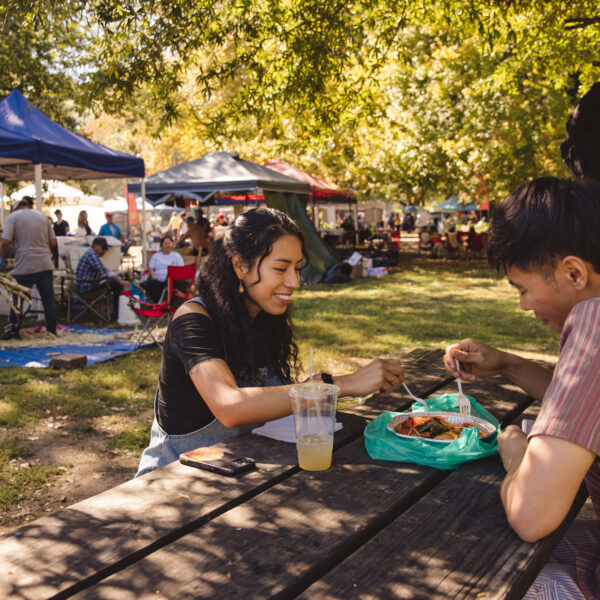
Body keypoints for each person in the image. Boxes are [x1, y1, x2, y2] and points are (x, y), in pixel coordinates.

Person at [136, 207, 405, 477]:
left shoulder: (264, 319)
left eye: (298, 268)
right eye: (280, 268)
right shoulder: (192, 320)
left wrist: (315, 386)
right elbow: (231, 406)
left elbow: (270, 403)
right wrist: (335, 386)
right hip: (171, 482)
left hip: (241, 476)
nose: (295, 282)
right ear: (240, 265)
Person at [443, 177, 600, 600]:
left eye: (524, 289)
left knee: (470, 572)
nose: (524, 307)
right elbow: (589, 406)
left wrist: (517, 457)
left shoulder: (595, 324)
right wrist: (509, 364)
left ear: (573, 272)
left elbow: (532, 515)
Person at [0, 196, 57, 339]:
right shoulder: (43, 217)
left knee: (18, 299)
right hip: (44, 263)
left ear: (14, 209)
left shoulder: (13, 218)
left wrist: (4, 258)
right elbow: (53, 242)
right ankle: (52, 331)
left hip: (25, 265)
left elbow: (5, 242)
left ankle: (14, 330)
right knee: (48, 298)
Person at [75, 236, 129, 318]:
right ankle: (118, 314)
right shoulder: (91, 255)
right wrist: (120, 281)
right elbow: (104, 272)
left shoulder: (91, 253)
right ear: (95, 245)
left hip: (87, 283)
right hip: (86, 286)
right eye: (103, 248)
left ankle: (119, 312)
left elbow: (104, 270)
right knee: (116, 285)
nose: (104, 251)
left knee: (115, 283)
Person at [142, 235, 184, 302]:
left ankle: (167, 302)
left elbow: (181, 269)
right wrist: (153, 276)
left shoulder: (177, 256)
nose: (168, 246)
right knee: (151, 283)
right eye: (165, 244)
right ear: (161, 246)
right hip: (157, 279)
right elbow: (151, 268)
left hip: (172, 280)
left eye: (170, 243)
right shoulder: (156, 256)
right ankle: (157, 302)